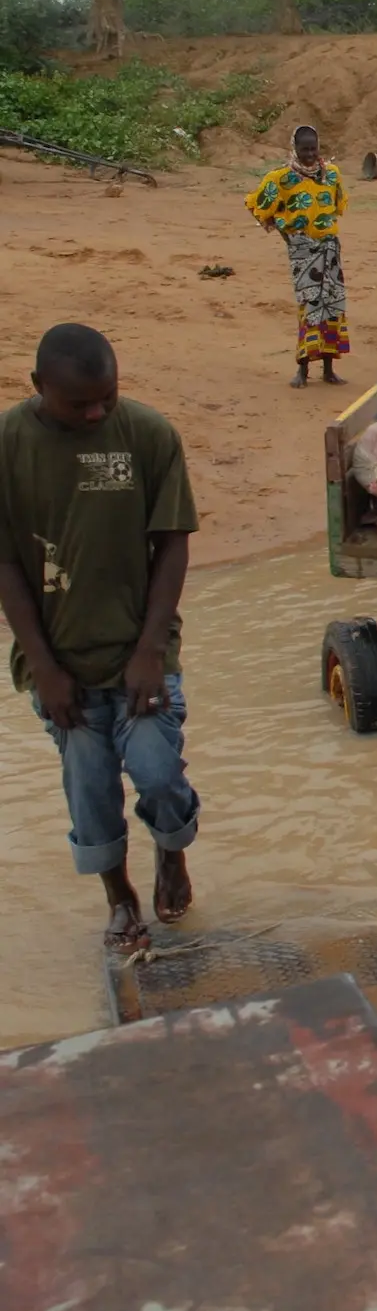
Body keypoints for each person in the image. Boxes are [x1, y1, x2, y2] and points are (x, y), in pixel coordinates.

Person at [0, 325, 200, 955]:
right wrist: (42, 666)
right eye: (78, 403)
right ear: (38, 388)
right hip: (60, 663)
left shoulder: (147, 434)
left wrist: (149, 652)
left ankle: (172, 853)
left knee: (158, 772)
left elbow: (172, 541)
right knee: (88, 787)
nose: (95, 412)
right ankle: (120, 900)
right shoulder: (7, 446)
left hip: (140, 652)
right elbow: (5, 564)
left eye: (106, 398)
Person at [244, 124, 349, 388]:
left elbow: (338, 205)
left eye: (314, 148)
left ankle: (328, 368)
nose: (310, 154)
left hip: (330, 251)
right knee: (309, 307)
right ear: (295, 149)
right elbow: (256, 205)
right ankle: (302, 370)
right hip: (303, 252)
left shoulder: (332, 175)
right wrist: (285, 232)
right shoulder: (281, 179)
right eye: (305, 149)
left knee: (333, 307)